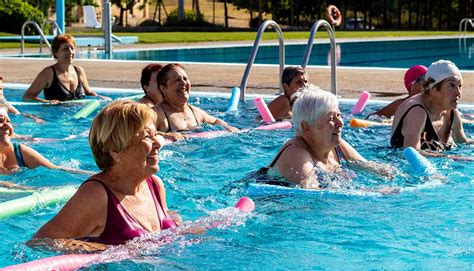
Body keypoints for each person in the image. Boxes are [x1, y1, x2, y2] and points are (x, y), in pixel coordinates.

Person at [31, 100, 181, 251]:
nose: (158, 143)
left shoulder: (154, 184)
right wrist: (107, 249)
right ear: (115, 150)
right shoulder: (96, 195)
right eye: (147, 137)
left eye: (155, 134)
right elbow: (41, 242)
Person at [262, 86, 395, 189]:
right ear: (307, 128)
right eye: (331, 118)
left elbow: (372, 168)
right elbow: (311, 192)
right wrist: (371, 193)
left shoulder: (337, 146)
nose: (340, 123)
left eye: (339, 116)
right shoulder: (295, 152)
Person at [390, 60, 473, 154]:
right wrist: (456, 159)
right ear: (433, 88)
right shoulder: (417, 111)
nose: (458, 92)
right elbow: (410, 153)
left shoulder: (452, 112)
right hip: (395, 164)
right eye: (452, 85)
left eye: (460, 86)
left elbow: (462, 142)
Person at [155, 63, 239, 141]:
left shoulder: (195, 112)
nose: (183, 83)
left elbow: (215, 121)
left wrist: (227, 127)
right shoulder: (157, 114)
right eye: (177, 80)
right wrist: (165, 135)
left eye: (185, 78)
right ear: (163, 88)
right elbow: (144, 133)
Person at [23, 34, 111, 104]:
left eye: (72, 48)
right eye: (65, 49)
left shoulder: (79, 71)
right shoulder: (48, 73)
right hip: (56, 119)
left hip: (79, 119)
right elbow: (27, 96)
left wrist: (100, 97)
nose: (70, 52)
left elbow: (89, 93)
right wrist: (47, 102)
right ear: (56, 53)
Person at [0, 105, 88, 175]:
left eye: (8, 121)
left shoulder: (19, 151)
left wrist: (95, 176)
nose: (8, 126)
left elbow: (57, 169)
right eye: (0, 121)